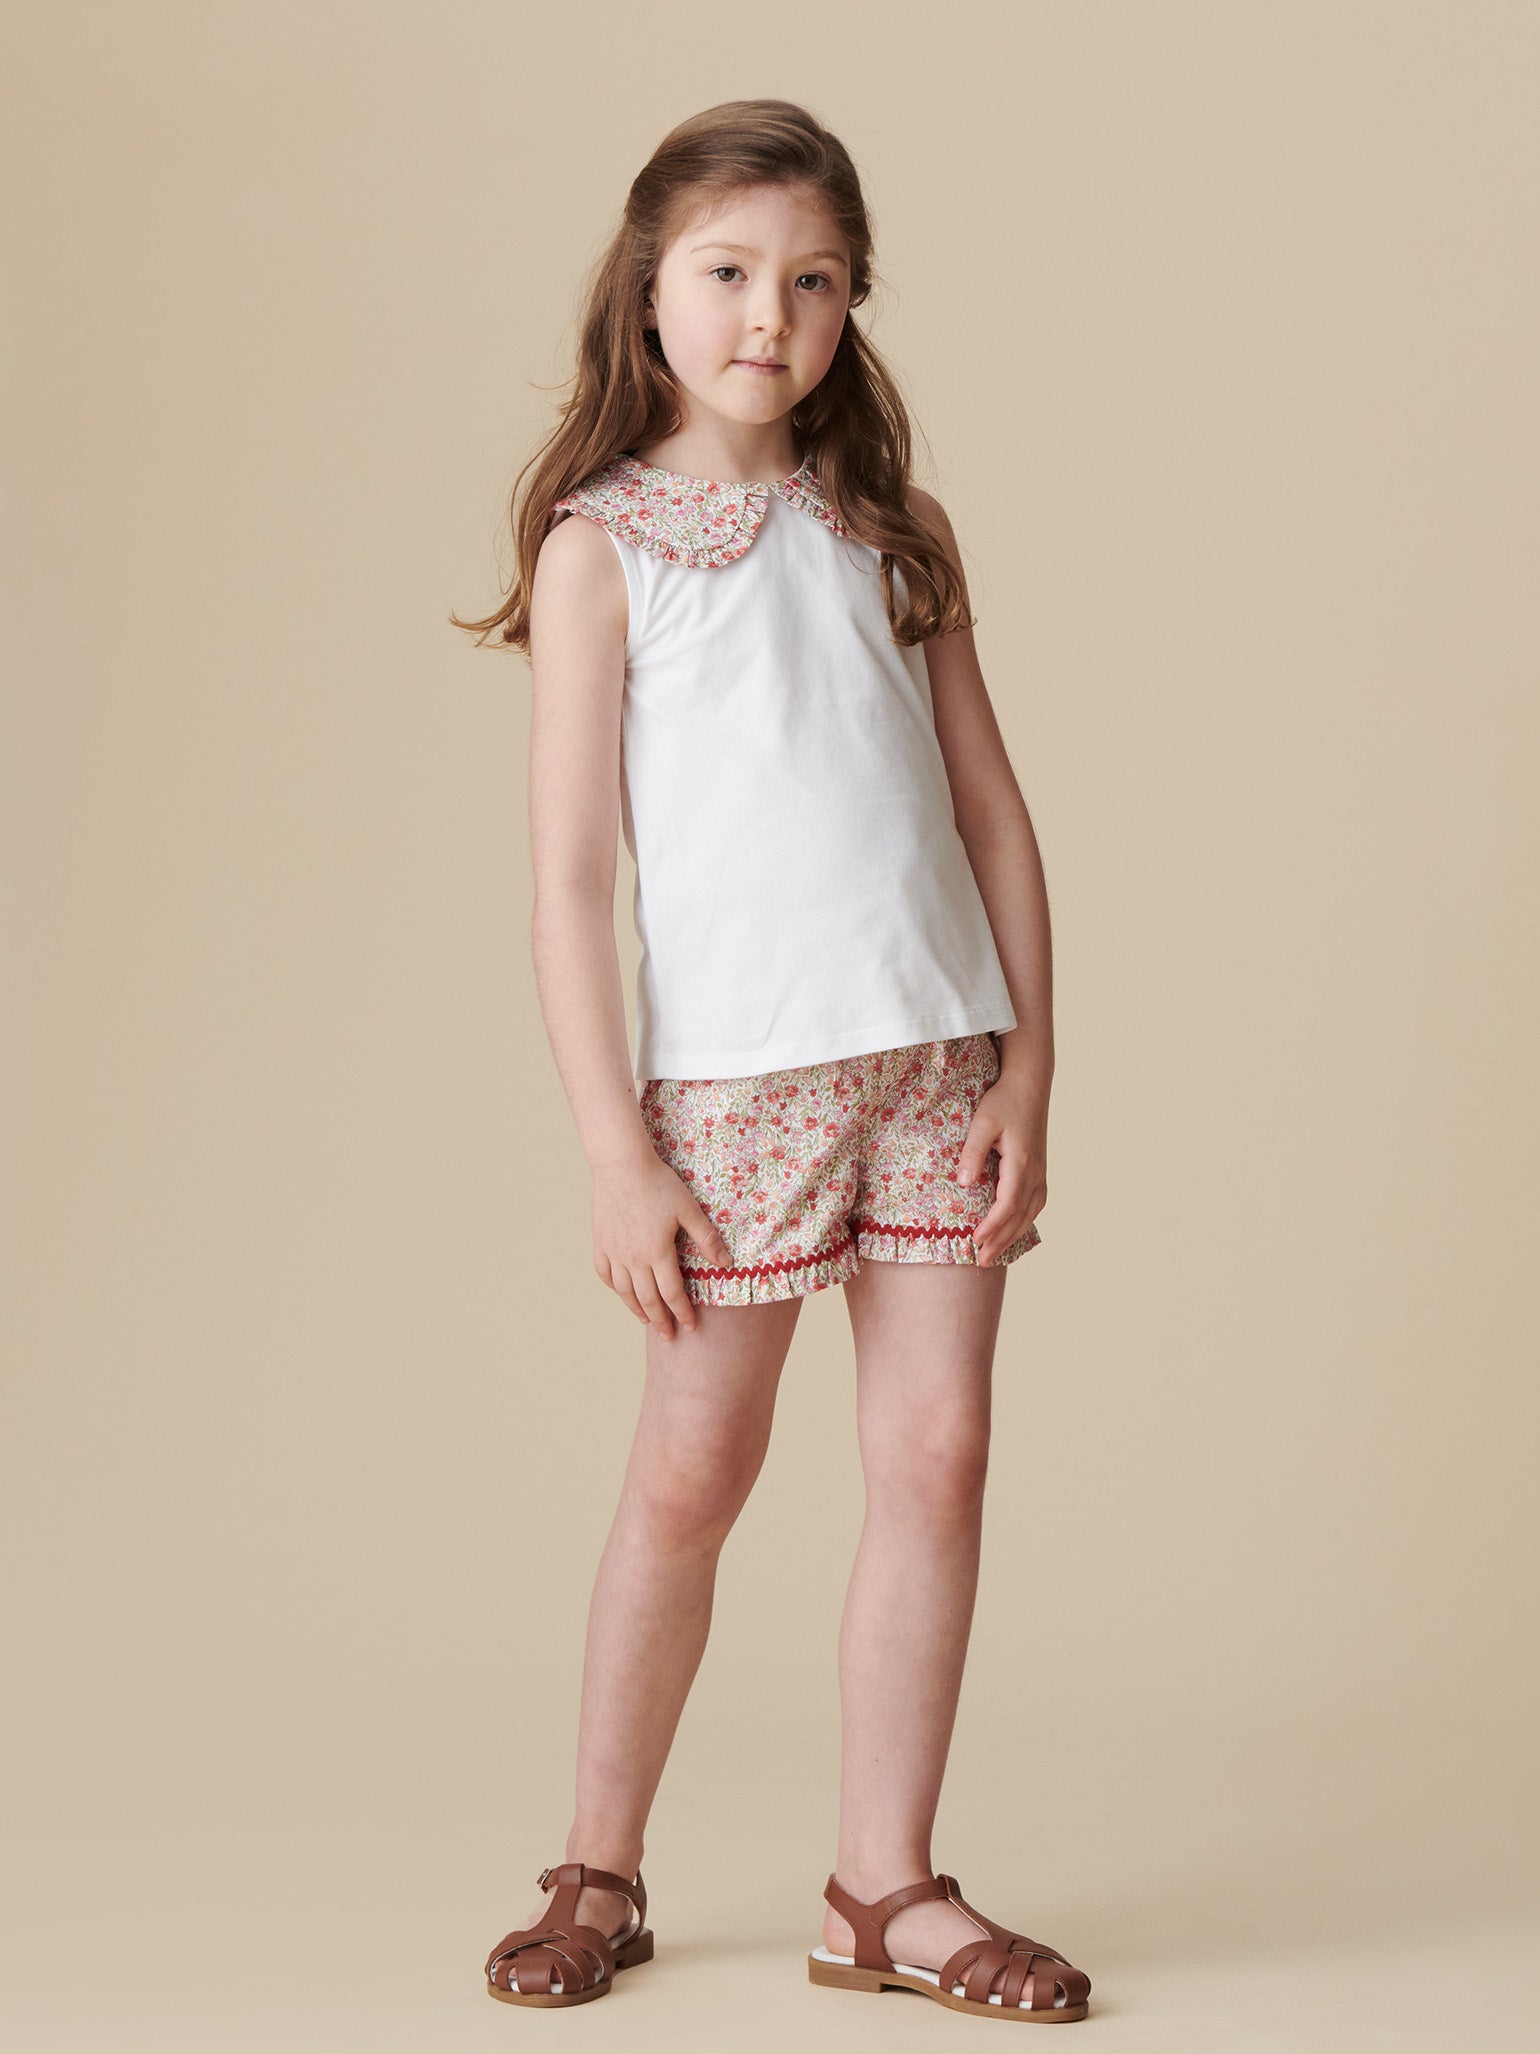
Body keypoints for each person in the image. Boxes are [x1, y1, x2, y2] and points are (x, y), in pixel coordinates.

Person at [452, 97, 1092, 2022]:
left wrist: (1029, 1069)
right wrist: (613, 1149)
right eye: (730, 272)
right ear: (649, 290)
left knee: (940, 1454)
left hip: (935, 1062)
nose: (769, 314)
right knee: (692, 1470)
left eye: (814, 280)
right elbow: (571, 885)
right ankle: (599, 1862)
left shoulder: (897, 532)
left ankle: (883, 1886)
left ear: (850, 304)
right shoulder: (606, 549)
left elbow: (994, 817)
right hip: (736, 1094)